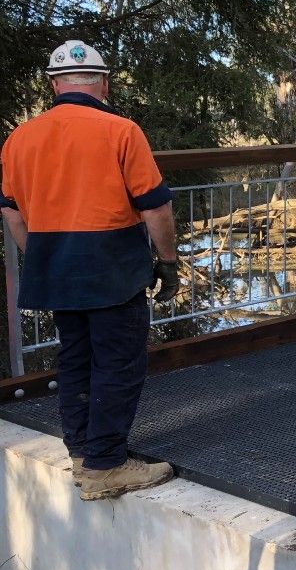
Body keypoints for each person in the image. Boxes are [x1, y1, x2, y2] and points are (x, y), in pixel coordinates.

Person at [0, 40, 178, 500]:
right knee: (118, 362)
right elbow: (155, 210)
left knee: (76, 360)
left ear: (55, 85)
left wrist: (42, 254)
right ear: (102, 83)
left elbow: (13, 213)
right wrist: (168, 262)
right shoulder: (121, 131)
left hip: (54, 266)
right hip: (112, 267)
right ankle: (106, 467)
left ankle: (82, 453)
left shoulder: (19, 138)